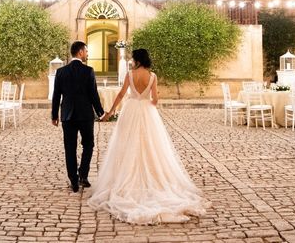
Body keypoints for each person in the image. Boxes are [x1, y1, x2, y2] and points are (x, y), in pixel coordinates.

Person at [89, 48, 208, 224]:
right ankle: (152, 179)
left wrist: (109, 112)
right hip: (147, 111)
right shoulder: (152, 76)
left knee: (126, 143)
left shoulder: (130, 75)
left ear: (137, 60)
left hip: (130, 110)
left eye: (133, 58)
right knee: (151, 144)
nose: (131, 60)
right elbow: (155, 99)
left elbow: (121, 94)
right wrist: (150, 101)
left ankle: (125, 179)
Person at [51, 41, 106, 193]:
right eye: (86, 51)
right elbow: (93, 95)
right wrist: (101, 112)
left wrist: (54, 115)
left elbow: (56, 96)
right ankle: (83, 175)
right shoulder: (88, 71)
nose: (87, 54)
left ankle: (74, 181)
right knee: (88, 145)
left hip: (67, 116)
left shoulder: (61, 72)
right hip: (85, 115)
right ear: (80, 52)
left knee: (70, 148)